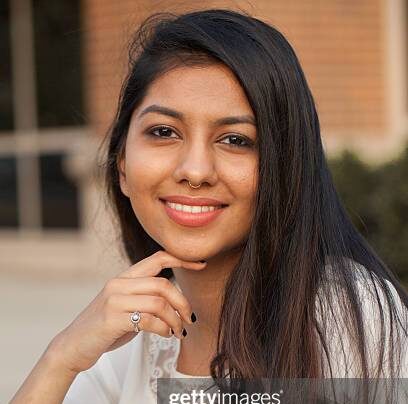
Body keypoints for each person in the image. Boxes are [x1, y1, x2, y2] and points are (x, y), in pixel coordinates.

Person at [10, 8, 408, 404]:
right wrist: (60, 359)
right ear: (123, 168)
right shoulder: (129, 336)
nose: (195, 171)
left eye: (235, 139)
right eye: (164, 132)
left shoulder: (348, 316)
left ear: (285, 168)